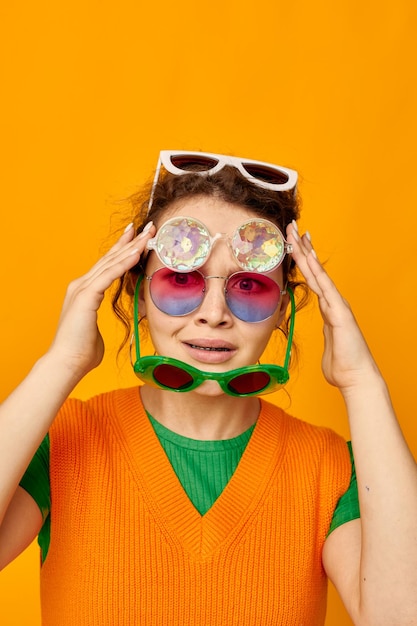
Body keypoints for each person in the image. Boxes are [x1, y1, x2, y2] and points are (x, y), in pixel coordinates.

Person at [0, 150, 416, 626]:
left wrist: (363, 383)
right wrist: (61, 363)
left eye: (249, 286)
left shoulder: (328, 469)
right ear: (135, 295)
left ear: (283, 310)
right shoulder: (61, 442)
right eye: (181, 280)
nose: (214, 313)